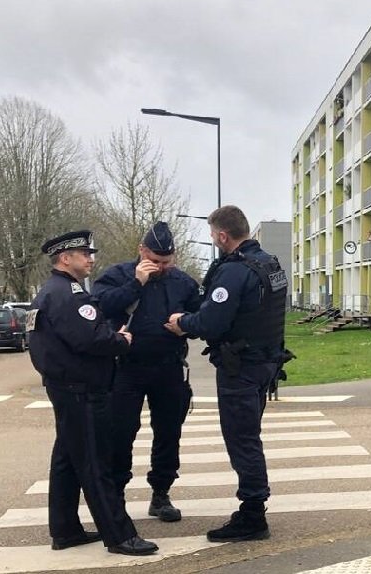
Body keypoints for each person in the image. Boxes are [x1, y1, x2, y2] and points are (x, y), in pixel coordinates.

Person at [163, 205, 291, 543]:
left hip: (242, 368)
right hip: (265, 364)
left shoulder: (235, 272)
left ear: (223, 236)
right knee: (248, 436)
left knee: (242, 439)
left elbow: (212, 322)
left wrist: (182, 323)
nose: (213, 241)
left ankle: (252, 514)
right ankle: (253, 507)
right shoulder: (270, 263)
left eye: (212, 236)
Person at [28, 230, 158, 556]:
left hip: (66, 387)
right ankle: (119, 535)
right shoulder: (69, 294)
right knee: (95, 464)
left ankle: (65, 529)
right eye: (84, 254)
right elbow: (91, 340)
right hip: (82, 391)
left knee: (67, 461)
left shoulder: (51, 292)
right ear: (65, 258)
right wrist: (121, 341)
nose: (90, 259)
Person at [92, 221, 201, 523]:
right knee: (120, 432)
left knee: (168, 432)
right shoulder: (117, 276)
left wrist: (186, 326)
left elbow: (200, 314)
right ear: (141, 251)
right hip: (126, 368)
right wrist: (135, 284)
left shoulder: (183, 282)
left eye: (166, 261)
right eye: (155, 260)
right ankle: (115, 497)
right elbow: (99, 305)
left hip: (168, 366)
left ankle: (161, 493)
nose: (161, 267)